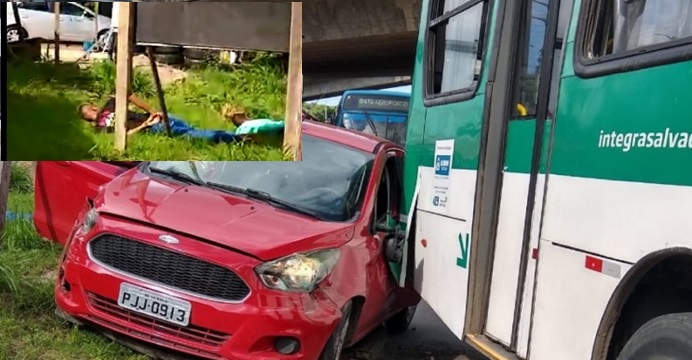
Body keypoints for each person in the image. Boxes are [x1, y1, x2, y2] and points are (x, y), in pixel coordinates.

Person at [79, 93, 239, 143]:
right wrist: (147, 121)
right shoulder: (100, 126)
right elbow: (122, 137)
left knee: (195, 132)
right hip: (153, 126)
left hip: (155, 119)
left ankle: (237, 136)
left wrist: (152, 112)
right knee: (197, 134)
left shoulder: (106, 111)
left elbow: (128, 95)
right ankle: (238, 138)